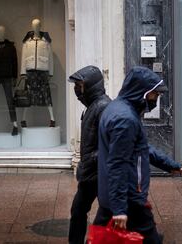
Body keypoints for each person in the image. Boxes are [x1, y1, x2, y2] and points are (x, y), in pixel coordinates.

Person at [94, 66, 182, 244]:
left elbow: (141, 149)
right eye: (155, 95)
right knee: (150, 239)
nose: (156, 99)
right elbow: (118, 164)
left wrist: (168, 165)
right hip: (129, 198)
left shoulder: (117, 109)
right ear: (142, 92)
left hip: (113, 194)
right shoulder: (126, 119)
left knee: (103, 237)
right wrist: (120, 208)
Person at [68, 65, 111, 244]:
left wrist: (87, 161)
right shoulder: (91, 106)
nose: (76, 90)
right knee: (78, 210)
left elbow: (109, 146)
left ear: (90, 86)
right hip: (90, 172)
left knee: (103, 215)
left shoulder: (103, 107)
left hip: (98, 173)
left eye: (79, 85)